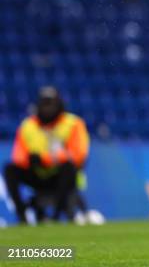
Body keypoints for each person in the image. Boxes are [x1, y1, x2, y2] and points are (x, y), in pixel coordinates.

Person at [3, 86, 89, 224]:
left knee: (69, 168)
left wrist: (45, 159)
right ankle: (22, 216)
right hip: (38, 175)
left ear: (59, 104)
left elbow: (79, 155)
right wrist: (29, 160)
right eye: (44, 104)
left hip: (61, 176)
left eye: (51, 104)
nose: (48, 108)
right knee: (10, 169)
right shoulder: (27, 125)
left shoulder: (73, 123)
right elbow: (18, 156)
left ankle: (55, 217)